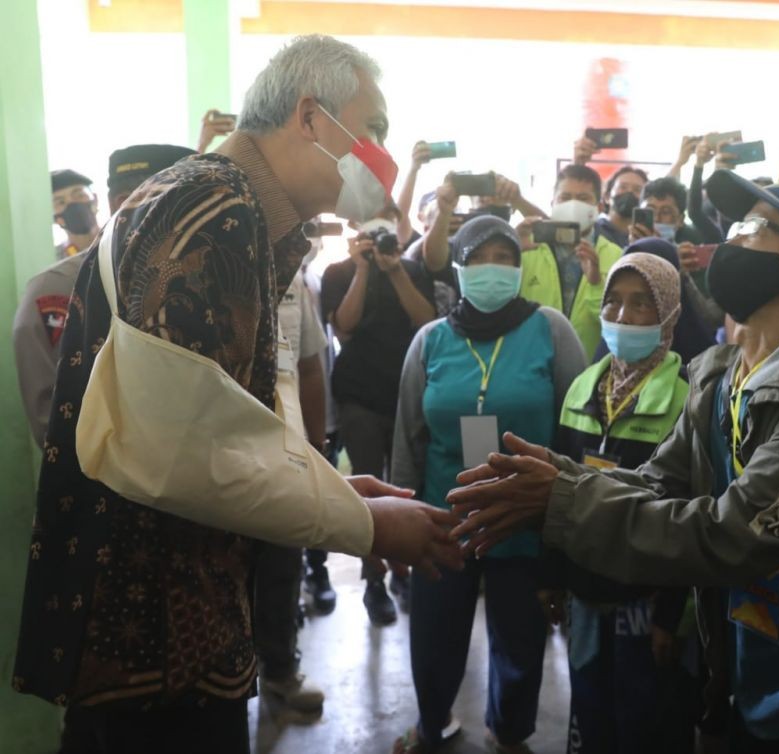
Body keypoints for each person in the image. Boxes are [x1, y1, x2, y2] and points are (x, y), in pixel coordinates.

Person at [13, 35, 463, 753]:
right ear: (311, 118)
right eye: (373, 128)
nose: (382, 152)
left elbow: (216, 418)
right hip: (154, 641)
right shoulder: (216, 212)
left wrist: (334, 489)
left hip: (169, 626)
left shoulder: (222, 204)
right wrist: (364, 526)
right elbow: (179, 454)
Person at [449, 172, 779, 753]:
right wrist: (559, 478)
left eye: (755, 228)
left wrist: (559, 500)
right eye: (735, 226)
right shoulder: (721, 372)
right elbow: (661, 484)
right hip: (754, 681)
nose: (731, 242)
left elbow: (731, 533)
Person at [391, 215, 587, 754]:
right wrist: (395, 521)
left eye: (506, 259)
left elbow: (576, 429)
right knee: (433, 636)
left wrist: (571, 520)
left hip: (525, 516)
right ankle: (433, 724)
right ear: (459, 266)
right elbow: (408, 439)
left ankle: (511, 732)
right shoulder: (430, 340)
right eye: (481, 258)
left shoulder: (551, 329)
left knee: (521, 639)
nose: (494, 270)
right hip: (442, 518)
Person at [550, 252, 698, 753]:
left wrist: (670, 616)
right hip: (584, 591)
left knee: (644, 716)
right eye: (612, 303)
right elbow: (554, 490)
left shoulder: (684, 400)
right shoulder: (581, 389)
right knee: (590, 709)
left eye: (640, 305)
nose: (620, 317)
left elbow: (689, 516)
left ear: (669, 316)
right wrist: (552, 576)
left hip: (645, 596)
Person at [13, 144, 196, 449]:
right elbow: (54, 422)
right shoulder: (56, 289)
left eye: (78, 196)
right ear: (126, 202)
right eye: (187, 204)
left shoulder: (194, 277)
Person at [321, 215, 437, 626]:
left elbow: (426, 321)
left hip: (406, 395)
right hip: (359, 397)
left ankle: (405, 568)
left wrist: (395, 270)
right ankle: (374, 579)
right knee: (367, 489)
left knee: (405, 485)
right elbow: (344, 326)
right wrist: (364, 269)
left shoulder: (412, 270)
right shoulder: (339, 272)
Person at [254, 270, 330, 714]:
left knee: (283, 565)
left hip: (287, 450)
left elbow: (308, 365)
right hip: (222, 454)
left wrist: (317, 447)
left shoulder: (293, 280)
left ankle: (279, 671)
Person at [517, 164, 623, 359]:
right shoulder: (527, 247)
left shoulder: (615, 254)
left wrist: (596, 284)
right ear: (553, 204)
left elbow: (617, 323)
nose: (573, 205)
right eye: (565, 198)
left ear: (598, 207)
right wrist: (512, 250)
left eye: (583, 199)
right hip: (531, 362)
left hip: (590, 367)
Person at [628, 176, 704, 246]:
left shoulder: (686, 257)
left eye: (665, 212)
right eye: (650, 211)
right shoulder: (624, 255)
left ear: (680, 220)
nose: (656, 218)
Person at [51, 169, 100, 260]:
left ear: (95, 201)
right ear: (55, 219)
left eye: (79, 195)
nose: (72, 203)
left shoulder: (120, 243)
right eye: (60, 202)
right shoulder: (52, 260)